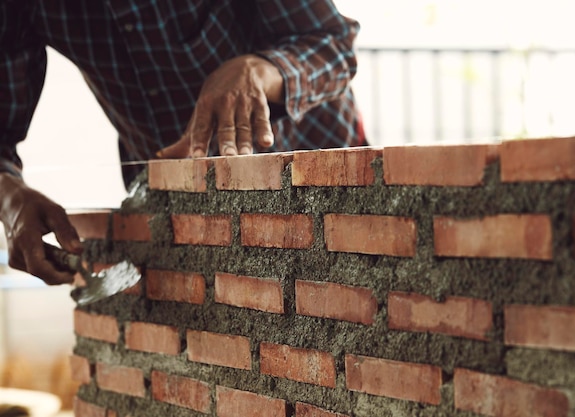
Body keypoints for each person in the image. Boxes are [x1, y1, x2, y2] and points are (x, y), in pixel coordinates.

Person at [0, 0, 366, 285]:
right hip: (176, 214)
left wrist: (260, 70)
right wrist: (8, 193)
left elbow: (333, 45)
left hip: (325, 190)